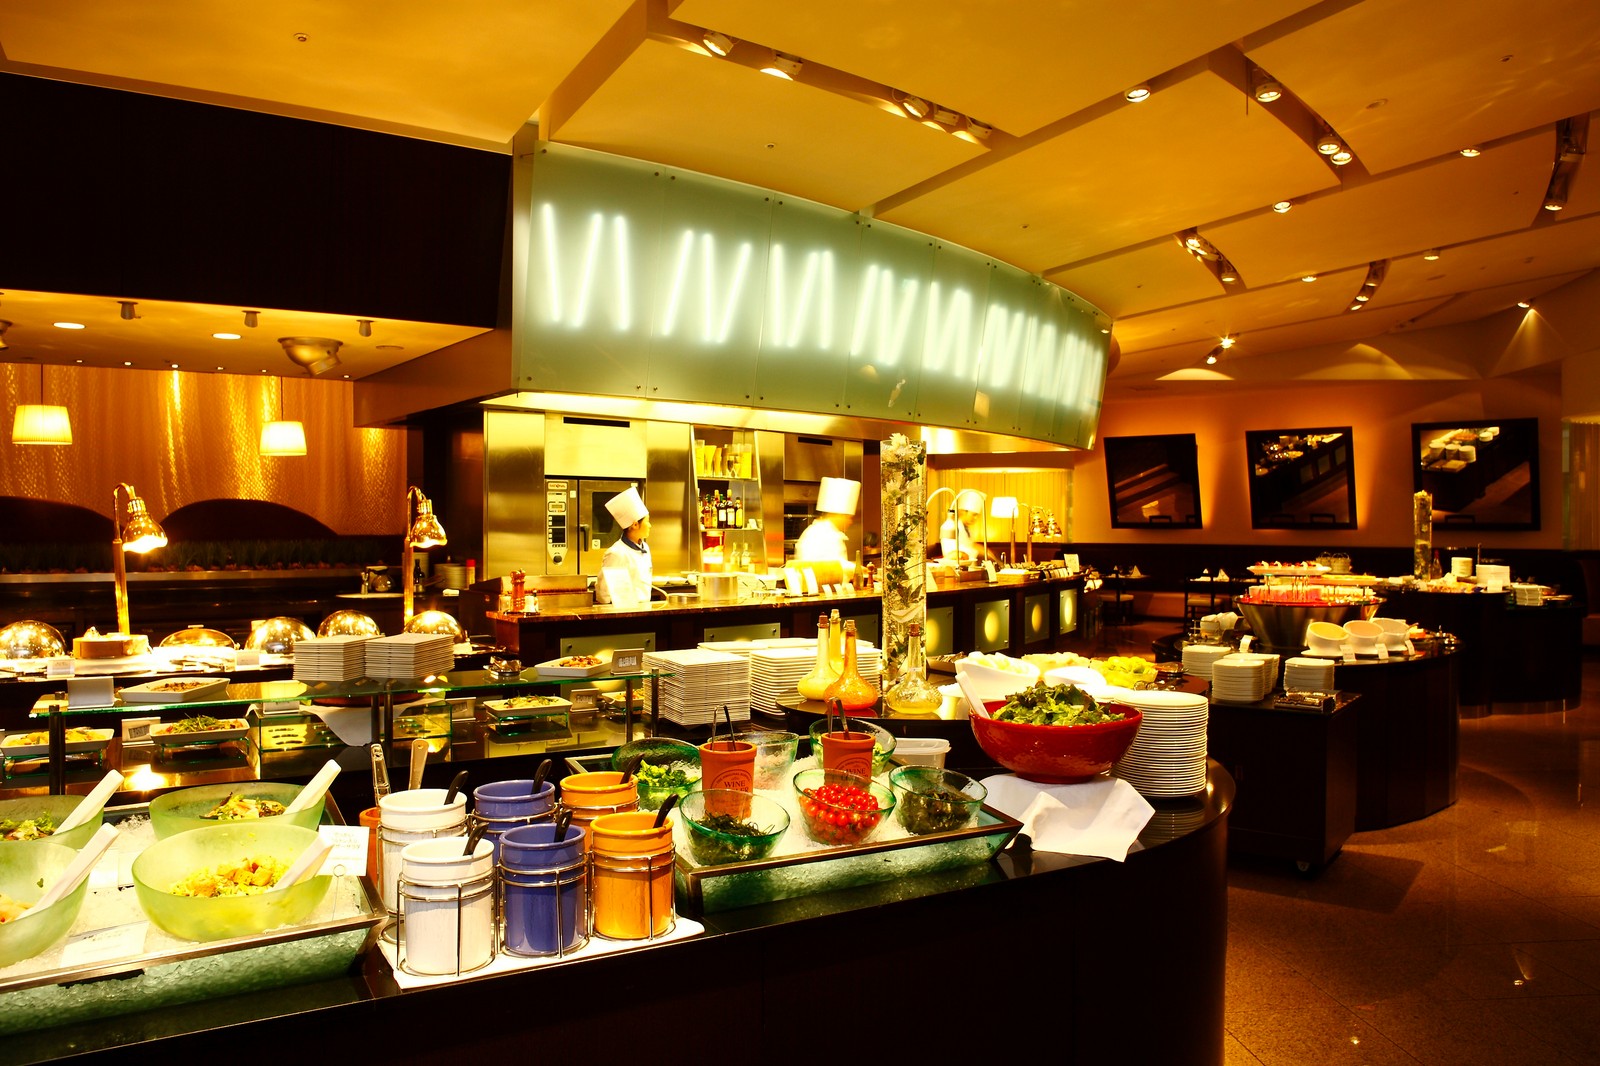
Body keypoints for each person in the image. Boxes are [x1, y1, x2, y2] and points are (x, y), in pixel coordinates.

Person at [595, 485, 652, 604]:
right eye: (647, 521)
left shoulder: (645, 548)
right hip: (625, 611)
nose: (650, 525)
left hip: (645, 609)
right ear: (635, 525)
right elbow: (603, 593)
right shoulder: (616, 553)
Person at [794, 476, 859, 569]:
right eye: (848, 517)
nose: (850, 522)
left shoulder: (828, 532)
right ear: (839, 515)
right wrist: (856, 569)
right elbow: (828, 567)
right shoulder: (821, 535)